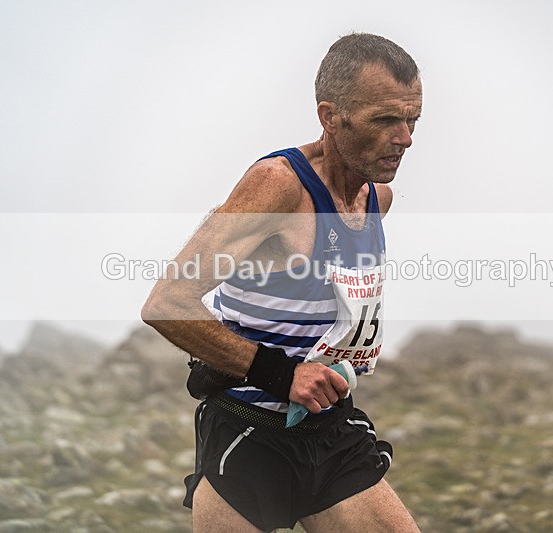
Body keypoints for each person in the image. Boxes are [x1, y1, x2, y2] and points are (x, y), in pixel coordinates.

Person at [142, 32, 422, 532]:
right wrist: (279, 374)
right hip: (251, 435)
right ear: (330, 116)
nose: (405, 138)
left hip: (331, 432)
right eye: (385, 120)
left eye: (412, 120)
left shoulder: (379, 198)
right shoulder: (278, 185)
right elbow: (167, 301)